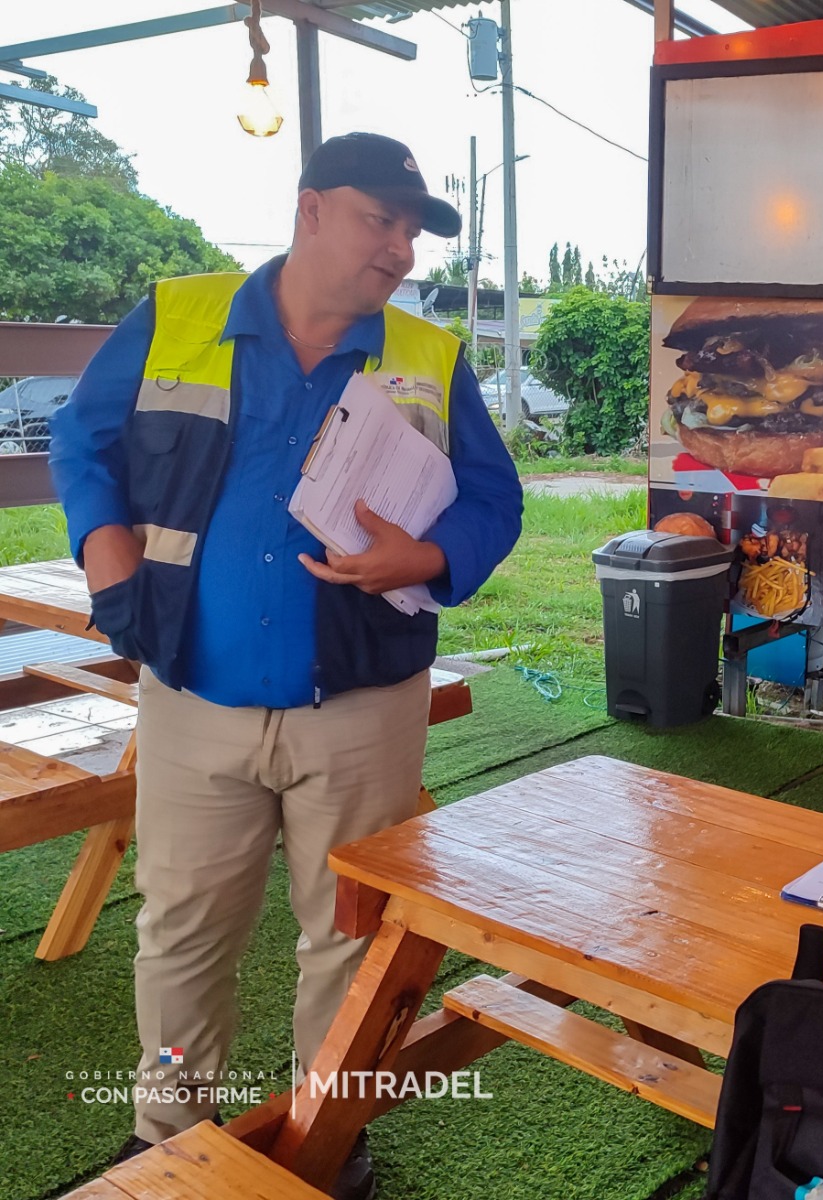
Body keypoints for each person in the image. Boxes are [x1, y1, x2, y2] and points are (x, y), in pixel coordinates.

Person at [49, 132, 525, 1199]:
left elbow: (495, 500)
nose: (401, 248)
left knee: (349, 944)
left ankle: (327, 1133)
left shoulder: (427, 355)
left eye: (413, 229)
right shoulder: (178, 315)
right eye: (380, 219)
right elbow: (82, 443)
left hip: (362, 706)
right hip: (190, 696)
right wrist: (104, 544)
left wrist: (434, 554)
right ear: (310, 209)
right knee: (178, 932)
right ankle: (168, 1125)